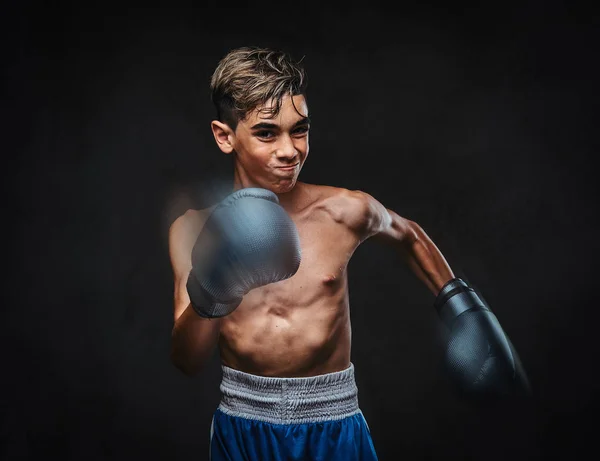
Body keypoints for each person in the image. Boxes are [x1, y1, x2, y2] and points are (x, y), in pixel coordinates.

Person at [168, 46, 529, 461]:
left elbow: (408, 235)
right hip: (243, 423)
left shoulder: (344, 211)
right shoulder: (193, 229)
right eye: (267, 132)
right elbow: (187, 360)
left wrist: (463, 308)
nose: (289, 150)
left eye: (299, 130)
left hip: (333, 419)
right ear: (225, 136)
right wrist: (215, 289)